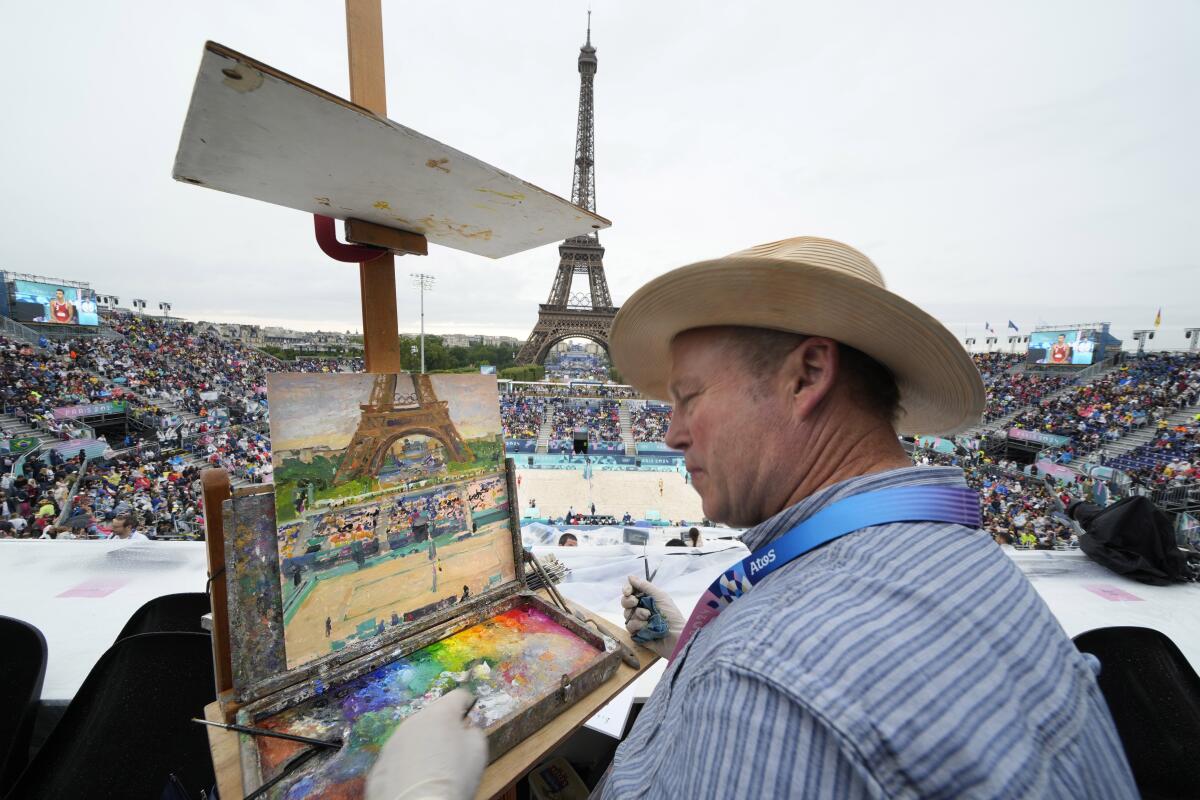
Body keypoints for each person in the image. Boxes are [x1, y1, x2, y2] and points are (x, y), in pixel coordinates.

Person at [366, 236, 1136, 798]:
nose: (669, 432)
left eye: (690, 397)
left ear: (807, 375)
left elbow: (793, 691)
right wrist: (690, 649)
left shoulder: (769, 677)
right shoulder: (958, 556)